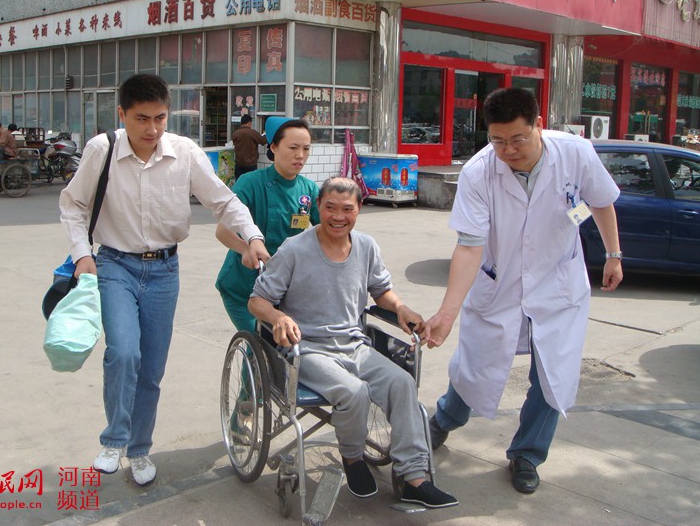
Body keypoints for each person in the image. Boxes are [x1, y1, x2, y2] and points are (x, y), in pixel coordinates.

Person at [59, 74, 268, 487]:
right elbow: (73, 204)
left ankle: (139, 449)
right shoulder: (102, 150)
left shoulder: (184, 152)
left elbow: (223, 201)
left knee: (152, 367)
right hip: (115, 265)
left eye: (159, 118)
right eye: (141, 119)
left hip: (164, 271)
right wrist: (83, 255)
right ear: (122, 114)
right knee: (124, 353)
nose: (152, 129)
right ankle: (114, 439)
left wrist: (253, 237)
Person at [422, 88, 623, 495]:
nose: (508, 151)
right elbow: (469, 245)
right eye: (498, 141)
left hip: (557, 284)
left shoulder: (576, 153)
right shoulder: (479, 172)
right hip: (501, 282)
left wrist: (613, 254)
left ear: (539, 126)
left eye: (518, 139)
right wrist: (446, 313)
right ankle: (444, 419)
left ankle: (527, 454)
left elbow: (601, 201)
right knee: (477, 365)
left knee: (551, 376)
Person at [248, 177, 458, 510]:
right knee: (353, 392)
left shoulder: (366, 247)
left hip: (355, 344)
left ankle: (414, 478)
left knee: (402, 383)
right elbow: (257, 300)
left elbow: (381, 291)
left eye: (347, 209)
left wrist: (400, 308)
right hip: (308, 348)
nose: (338, 216)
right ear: (319, 207)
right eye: (330, 207)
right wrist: (278, 317)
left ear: (359, 208)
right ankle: (353, 457)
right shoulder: (294, 249)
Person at [215, 117, 320, 332]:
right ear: (273, 147)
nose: (300, 155)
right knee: (260, 340)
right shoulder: (250, 183)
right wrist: (246, 249)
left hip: (284, 287)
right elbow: (222, 231)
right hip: (243, 286)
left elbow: (324, 230)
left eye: (306, 148)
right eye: (293, 147)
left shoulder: (309, 189)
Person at [231, 113, 266, 180]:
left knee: (239, 182)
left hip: (239, 163)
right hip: (250, 164)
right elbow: (262, 141)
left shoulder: (235, 133)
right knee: (251, 182)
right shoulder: (252, 132)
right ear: (249, 123)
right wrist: (266, 135)